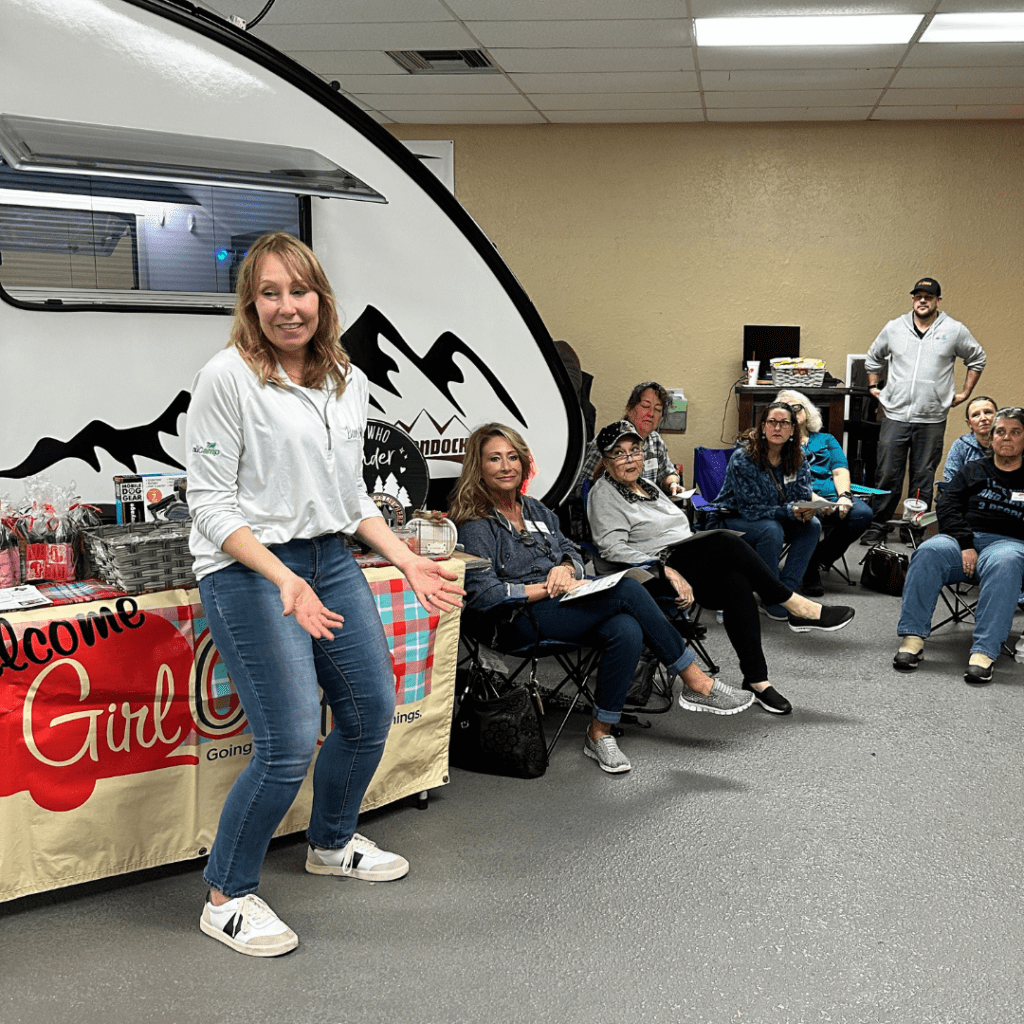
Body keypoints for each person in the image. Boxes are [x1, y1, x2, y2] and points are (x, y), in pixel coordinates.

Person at [186, 232, 463, 957]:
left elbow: (349, 499)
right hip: (247, 565)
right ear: (251, 301)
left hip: (329, 555)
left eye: (299, 291)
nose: (287, 307)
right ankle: (226, 894)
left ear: (321, 299)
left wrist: (405, 559)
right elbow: (211, 508)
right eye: (270, 293)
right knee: (286, 742)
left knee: (371, 708)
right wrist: (284, 580)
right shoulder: (227, 377)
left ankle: (331, 842)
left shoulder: (343, 377)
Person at [451, 423, 753, 775]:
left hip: (563, 606)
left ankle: (600, 732)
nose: (506, 466)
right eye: (495, 459)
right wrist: (550, 588)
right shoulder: (475, 524)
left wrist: (566, 568)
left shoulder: (536, 510)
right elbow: (485, 595)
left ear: (523, 462)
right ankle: (696, 681)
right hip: (515, 621)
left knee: (625, 627)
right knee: (626, 587)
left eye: (513, 457)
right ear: (479, 467)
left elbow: (572, 551)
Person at [587, 423, 855, 715]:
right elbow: (611, 548)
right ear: (606, 460)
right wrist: (664, 568)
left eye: (634, 451)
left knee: (735, 582)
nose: (630, 459)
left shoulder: (649, 486)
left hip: (683, 560)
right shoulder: (604, 493)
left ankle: (757, 680)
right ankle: (794, 605)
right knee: (725, 540)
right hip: (649, 575)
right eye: (619, 454)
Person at [893, 407, 1024, 684]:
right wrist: (965, 543)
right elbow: (948, 506)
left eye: (1015, 432)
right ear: (992, 437)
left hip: (1009, 544)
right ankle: (912, 639)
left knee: (1007, 561)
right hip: (963, 540)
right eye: (1000, 431)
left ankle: (984, 652)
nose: (1007, 438)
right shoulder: (973, 470)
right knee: (928, 551)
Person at [861, 277, 987, 546]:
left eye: (928, 297)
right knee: (886, 473)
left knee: (923, 475)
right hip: (895, 415)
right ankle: (878, 524)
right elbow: (873, 357)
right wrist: (874, 386)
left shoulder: (954, 330)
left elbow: (977, 357)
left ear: (937, 301)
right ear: (912, 299)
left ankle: (911, 528)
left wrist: (965, 393)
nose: (922, 300)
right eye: (918, 296)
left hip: (931, 418)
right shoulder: (895, 327)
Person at [712, 402, 821, 620]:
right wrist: (791, 512)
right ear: (763, 427)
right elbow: (750, 509)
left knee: (812, 526)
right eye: (772, 422)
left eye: (784, 423)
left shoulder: (798, 456)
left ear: (792, 430)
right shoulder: (743, 459)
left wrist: (806, 510)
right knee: (770, 530)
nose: (777, 428)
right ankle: (772, 596)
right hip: (733, 518)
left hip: (777, 519)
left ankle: (785, 593)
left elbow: (802, 494)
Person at [775, 388, 873, 595]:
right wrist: (817, 501)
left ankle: (817, 558)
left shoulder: (826, 439)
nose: (792, 412)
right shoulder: (779, 443)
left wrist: (844, 497)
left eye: (796, 407)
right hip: (798, 498)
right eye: (786, 409)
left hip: (832, 496)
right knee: (812, 519)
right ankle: (810, 571)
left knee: (862, 514)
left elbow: (839, 471)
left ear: (807, 411)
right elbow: (785, 481)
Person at [575, 380, 682, 498]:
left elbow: (667, 473)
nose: (651, 413)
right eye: (645, 406)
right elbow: (583, 486)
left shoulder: (655, 440)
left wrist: (672, 484)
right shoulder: (610, 438)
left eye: (657, 409)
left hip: (645, 507)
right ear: (630, 409)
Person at [943, 395, 998, 483]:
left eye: (988, 412)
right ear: (969, 423)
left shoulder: (1009, 442)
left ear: (998, 418)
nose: (983, 418)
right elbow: (951, 480)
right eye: (975, 415)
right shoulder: (960, 445)